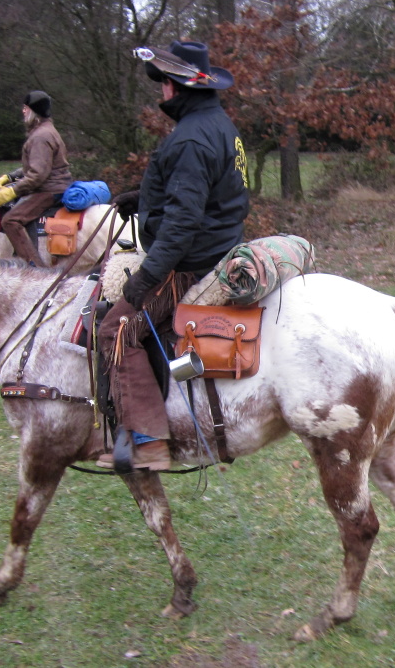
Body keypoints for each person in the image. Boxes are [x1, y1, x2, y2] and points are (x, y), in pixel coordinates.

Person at [97, 40, 249, 471]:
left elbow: (182, 225)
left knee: (115, 328)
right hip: (221, 244)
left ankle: (148, 442)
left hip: (191, 263)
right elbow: (208, 194)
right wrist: (141, 201)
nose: (160, 91)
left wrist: (145, 279)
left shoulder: (188, 139)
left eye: (164, 82)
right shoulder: (220, 124)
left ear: (178, 87)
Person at [0, 91, 73, 265]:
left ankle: (34, 267)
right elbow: (38, 164)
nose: (23, 112)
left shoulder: (41, 136)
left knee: (10, 220)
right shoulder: (46, 130)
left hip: (49, 190)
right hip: (55, 185)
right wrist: (10, 176)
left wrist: (11, 192)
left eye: (25, 108)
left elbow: (38, 175)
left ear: (33, 111)